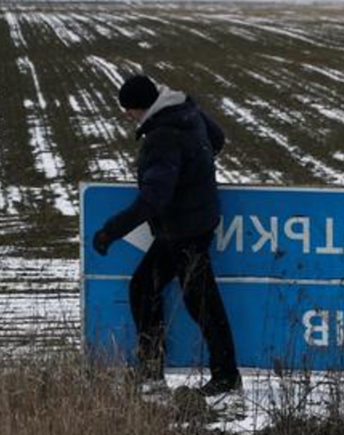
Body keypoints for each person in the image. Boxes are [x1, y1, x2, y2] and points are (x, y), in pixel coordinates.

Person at [92, 74, 241, 396]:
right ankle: (152, 369)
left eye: (128, 111)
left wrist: (110, 232)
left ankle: (224, 377)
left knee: (200, 302)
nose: (129, 117)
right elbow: (216, 138)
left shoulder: (162, 136)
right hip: (195, 221)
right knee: (147, 288)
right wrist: (194, 171)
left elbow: (154, 198)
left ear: (138, 108)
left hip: (183, 228)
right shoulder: (187, 110)